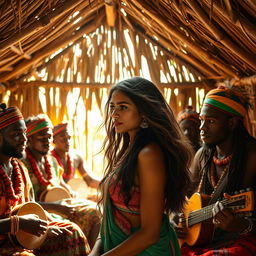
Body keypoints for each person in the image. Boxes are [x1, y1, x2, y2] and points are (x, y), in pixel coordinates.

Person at [89, 77, 193, 256]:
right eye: (113, 107)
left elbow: (150, 234)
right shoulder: (127, 152)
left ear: (144, 112)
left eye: (123, 107)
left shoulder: (149, 154)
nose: (114, 114)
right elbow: (107, 223)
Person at [0, 103, 90, 256]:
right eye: (16, 134)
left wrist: (45, 226)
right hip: (4, 243)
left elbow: (31, 206)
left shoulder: (19, 168)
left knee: (71, 233)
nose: (24, 139)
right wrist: (19, 223)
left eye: (24, 133)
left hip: (23, 237)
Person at [180, 84, 256, 255]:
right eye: (201, 120)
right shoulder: (203, 155)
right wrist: (180, 221)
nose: (202, 127)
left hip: (242, 239)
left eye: (211, 121)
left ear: (231, 123)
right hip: (205, 239)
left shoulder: (252, 157)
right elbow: (184, 199)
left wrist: (244, 226)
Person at [21, 114, 100, 249]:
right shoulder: (22, 164)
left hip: (59, 206)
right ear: (29, 139)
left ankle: (95, 252)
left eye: (49, 137)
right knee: (71, 231)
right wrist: (55, 206)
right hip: (38, 212)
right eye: (42, 138)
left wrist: (69, 194)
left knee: (95, 211)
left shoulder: (50, 160)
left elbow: (60, 183)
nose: (47, 141)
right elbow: (25, 203)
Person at [51, 123, 100, 189]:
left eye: (69, 138)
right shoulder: (49, 159)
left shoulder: (76, 157)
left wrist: (109, 186)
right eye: (63, 139)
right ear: (53, 141)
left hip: (72, 196)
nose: (68, 142)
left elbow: (90, 181)